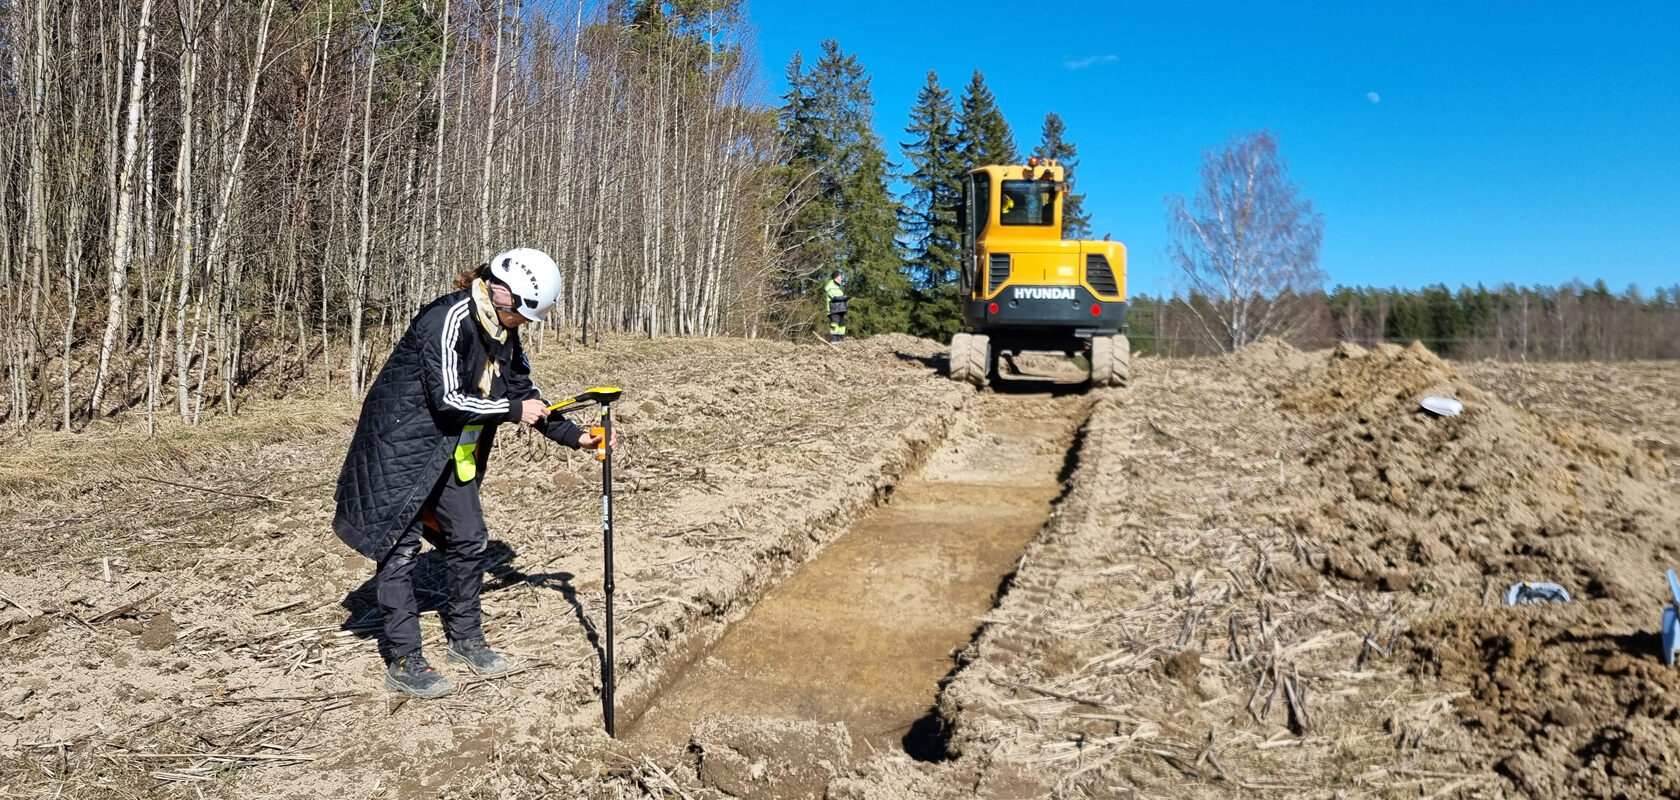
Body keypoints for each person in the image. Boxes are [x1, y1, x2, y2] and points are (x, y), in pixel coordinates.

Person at [332, 247, 615, 699]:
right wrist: (511, 410)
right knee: (400, 550)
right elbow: (448, 399)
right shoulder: (446, 319)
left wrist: (577, 437)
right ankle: (405, 660)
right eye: (522, 314)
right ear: (503, 293)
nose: (523, 324)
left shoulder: (504, 333)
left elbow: (525, 393)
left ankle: (465, 638)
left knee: (469, 538)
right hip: (399, 449)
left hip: (450, 451)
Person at [823, 270, 849, 343]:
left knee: (842, 325)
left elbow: (841, 298)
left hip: (840, 310)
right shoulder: (830, 287)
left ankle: (840, 341)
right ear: (836, 278)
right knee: (835, 324)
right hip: (834, 310)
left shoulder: (838, 288)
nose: (841, 279)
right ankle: (834, 341)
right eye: (840, 277)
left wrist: (846, 298)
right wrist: (844, 297)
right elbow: (835, 297)